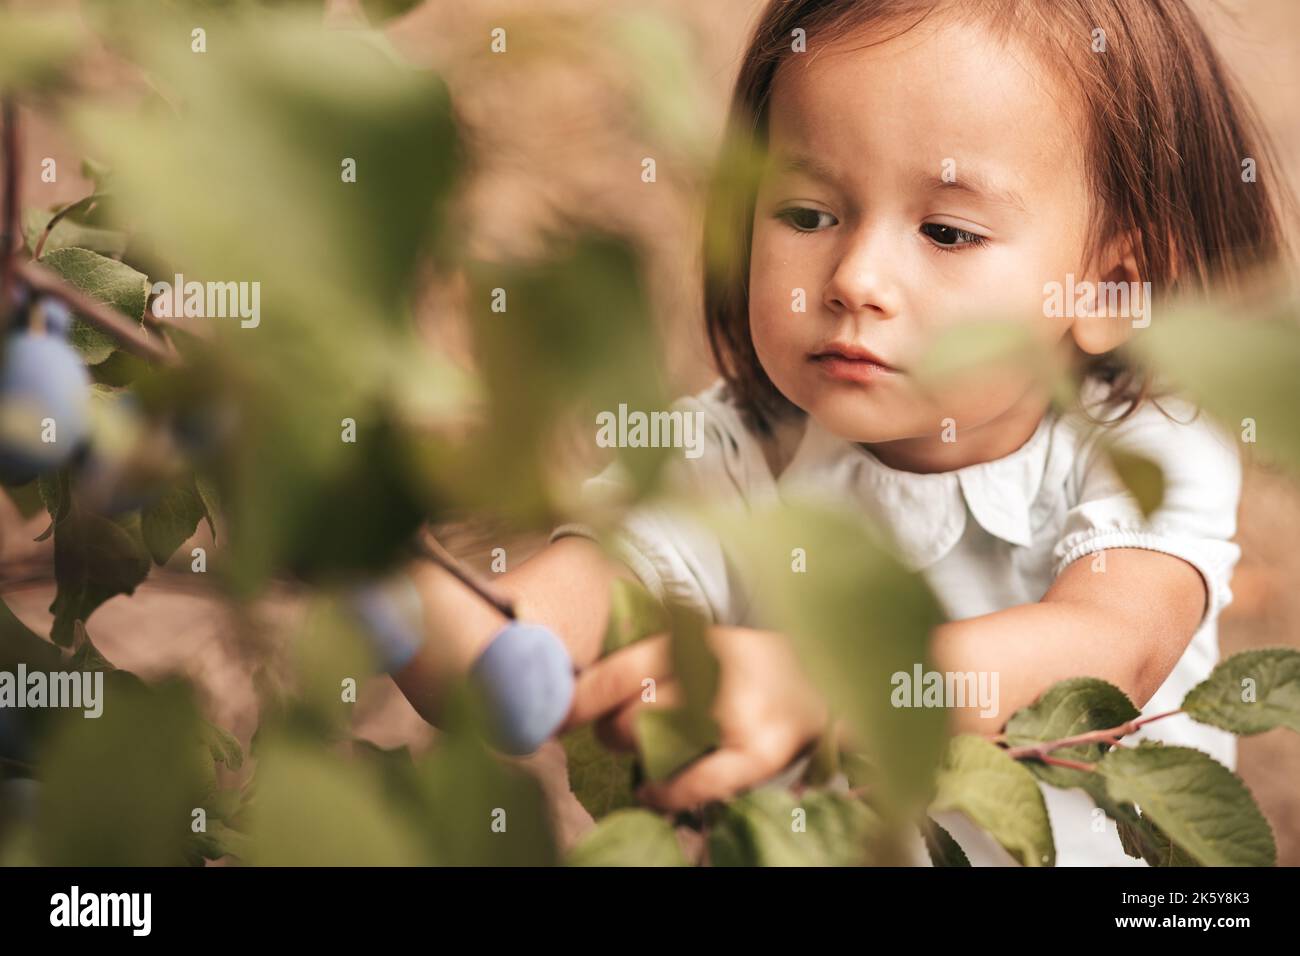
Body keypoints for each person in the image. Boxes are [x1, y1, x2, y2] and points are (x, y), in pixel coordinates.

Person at [387, 0, 1289, 865]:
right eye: (808, 214)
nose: (855, 276)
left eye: (947, 230)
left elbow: (1107, 646)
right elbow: (544, 625)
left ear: (1112, 288)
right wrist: (402, 601)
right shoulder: (730, 454)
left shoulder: (1142, 446)